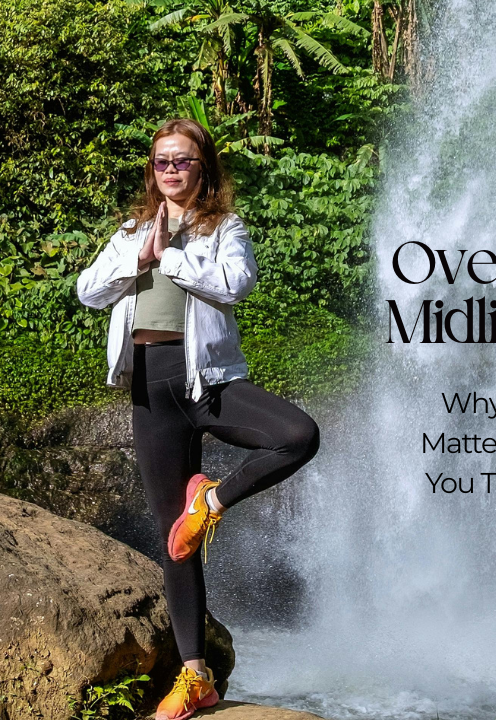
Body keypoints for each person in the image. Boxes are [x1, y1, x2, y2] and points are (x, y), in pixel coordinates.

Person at [75, 118, 321, 720]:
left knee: (298, 435)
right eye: (162, 162)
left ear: (202, 168)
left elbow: (237, 284)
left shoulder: (223, 227)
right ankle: (195, 677)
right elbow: (87, 291)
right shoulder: (132, 230)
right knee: (173, 544)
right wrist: (141, 253)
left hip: (208, 384)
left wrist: (174, 259)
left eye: (182, 161)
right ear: (151, 169)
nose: (171, 171)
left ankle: (210, 502)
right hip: (150, 389)